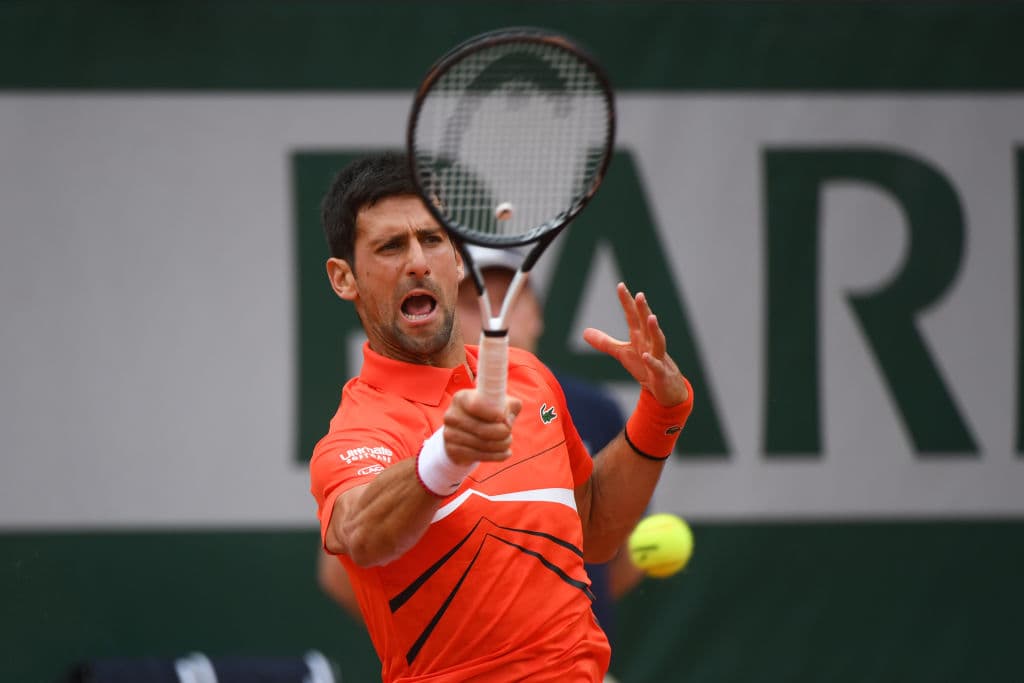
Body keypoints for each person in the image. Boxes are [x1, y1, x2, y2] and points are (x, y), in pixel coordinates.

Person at [309, 152, 692, 682]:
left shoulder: (530, 378)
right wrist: (446, 455)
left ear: (458, 259)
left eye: (433, 239)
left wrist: (662, 412)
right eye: (391, 246)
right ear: (343, 279)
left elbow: (594, 528)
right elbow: (360, 533)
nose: (417, 261)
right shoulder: (358, 429)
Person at [317, 244, 645, 649]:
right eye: (477, 302)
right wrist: (436, 635)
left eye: (512, 298)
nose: (498, 314)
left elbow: (612, 547)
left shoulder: (588, 407)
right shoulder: (399, 415)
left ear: (537, 314)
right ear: (450, 314)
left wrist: (554, 622)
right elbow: (344, 566)